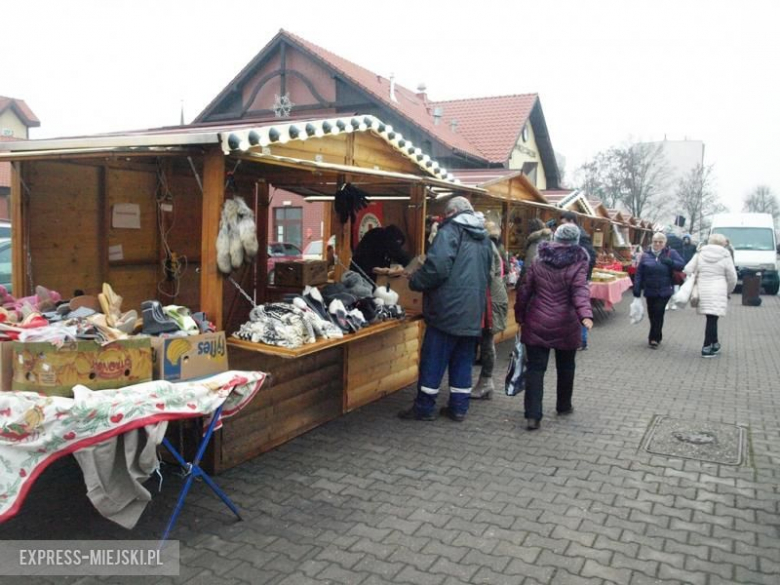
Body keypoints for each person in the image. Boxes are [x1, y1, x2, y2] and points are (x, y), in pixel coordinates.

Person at [398, 196, 492, 422]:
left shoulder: (450, 231)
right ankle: (459, 408)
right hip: (472, 311)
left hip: (446, 310)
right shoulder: (484, 238)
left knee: (433, 360)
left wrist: (415, 281)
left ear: (451, 213)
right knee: (462, 361)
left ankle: (424, 408)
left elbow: (437, 268)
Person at [515, 223, 593, 431]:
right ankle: (563, 405)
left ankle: (533, 416)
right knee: (566, 366)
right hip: (566, 323)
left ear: (556, 239)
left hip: (537, 320)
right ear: (575, 242)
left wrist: (520, 315)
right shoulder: (580, 262)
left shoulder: (539, 259)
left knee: (535, 369)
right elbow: (580, 291)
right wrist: (585, 315)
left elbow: (525, 290)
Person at [472, 221, 509, 400]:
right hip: (493, 297)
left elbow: (487, 274)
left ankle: (486, 382)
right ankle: (485, 382)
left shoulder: (487, 246)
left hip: (490, 300)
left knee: (486, 342)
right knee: (486, 342)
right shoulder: (494, 246)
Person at [684, 233, 737, 358]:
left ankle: (715, 343)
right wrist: (728, 290)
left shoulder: (700, 253)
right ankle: (706, 347)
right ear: (723, 243)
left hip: (703, 288)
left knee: (711, 318)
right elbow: (732, 277)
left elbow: (687, 269)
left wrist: (696, 275)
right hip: (719, 289)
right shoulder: (725, 255)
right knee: (712, 319)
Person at [633, 232, 685, 348]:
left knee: (659, 312)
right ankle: (658, 334)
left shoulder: (671, 253)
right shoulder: (646, 255)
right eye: (655, 241)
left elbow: (681, 265)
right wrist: (637, 288)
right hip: (650, 289)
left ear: (664, 243)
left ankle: (653, 338)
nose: (657, 244)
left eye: (660, 242)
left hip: (665, 289)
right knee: (652, 314)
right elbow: (639, 273)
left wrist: (671, 262)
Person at [559, 211, 596, 350]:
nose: (562, 227)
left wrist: (584, 275)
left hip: (578, 279)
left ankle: (581, 341)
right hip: (573, 278)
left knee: (578, 308)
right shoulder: (579, 235)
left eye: (564, 223)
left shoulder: (581, 236)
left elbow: (590, 257)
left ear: (571, 221)